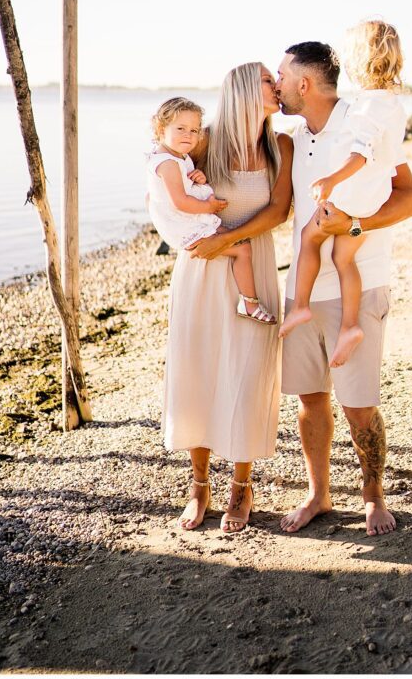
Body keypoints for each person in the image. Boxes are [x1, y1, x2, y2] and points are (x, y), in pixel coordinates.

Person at [274, 40, 412, 537]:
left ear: (304, 83)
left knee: (359, 404)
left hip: (357, 284)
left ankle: (373, 497)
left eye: (281, 75)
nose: (277, 83)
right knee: (310, 399)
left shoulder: (365, 122)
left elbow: (410, 198)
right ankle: (319, 495)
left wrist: (355, 225)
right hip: (303, 289)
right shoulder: (292, 135)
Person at [162, 63, 293, 533]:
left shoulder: (281, 146)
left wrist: (228, 239)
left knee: (248, 371)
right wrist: (190, 234)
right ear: (241, 89)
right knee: (199, 369)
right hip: (201, 269)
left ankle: (242, 484)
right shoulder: (203, 141)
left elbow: (279, 210)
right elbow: (161, 181)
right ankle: (199, 484)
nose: (276, 87)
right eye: (266, 80)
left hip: (251, 265)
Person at [278, 21, 407, 368]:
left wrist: (341, 200)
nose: (276, 85)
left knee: (312, 237)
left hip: (352, 201)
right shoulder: (389, 105)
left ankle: (304, 307)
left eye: (280, 77)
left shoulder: (361, 112)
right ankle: (344, 324)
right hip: (364, 196)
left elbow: (368, 159)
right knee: (342, 258)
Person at [147, 96, 276, 324]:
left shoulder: (179, 157)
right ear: (161, 128)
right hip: (185, 228)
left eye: (195, 130)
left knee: (241, 247)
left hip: (190, 223)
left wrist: (198, 178)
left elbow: (185, 188)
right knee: (243, 249)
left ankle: (248, 302)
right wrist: (210, 206)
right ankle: (250, 303)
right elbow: (181, 202)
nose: (189, 135)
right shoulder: (167, 163)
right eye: (181, 129)